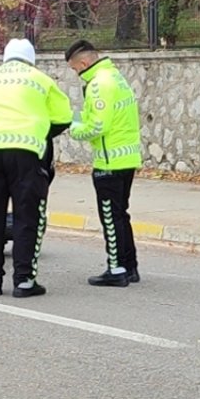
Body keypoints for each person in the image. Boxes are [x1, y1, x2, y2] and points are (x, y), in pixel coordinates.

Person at [0, 38, 74, 298]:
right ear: (31, 58)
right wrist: (40, 133)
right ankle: (24, 281)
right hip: (25, 154)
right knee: (27, 216)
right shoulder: (41, 79)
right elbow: (63, 118)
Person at [64, 39, 143, 287]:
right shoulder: (116, 78)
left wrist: (74, 129)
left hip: (109, 161)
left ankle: (116, 269)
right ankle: (130, 267)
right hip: (127, 158)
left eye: (75, 69)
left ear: (84, 63)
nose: (76, 74)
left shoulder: (99, 85)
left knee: (110, 217)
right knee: (121, 215)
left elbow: (97, 126)